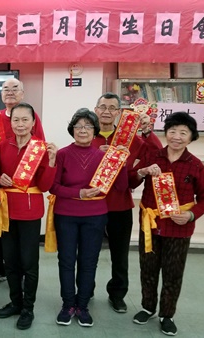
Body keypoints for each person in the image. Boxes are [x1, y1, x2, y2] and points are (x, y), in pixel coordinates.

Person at [130, 112, 204, 336]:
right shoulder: (152, 156)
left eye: (183, 133)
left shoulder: (196, 166)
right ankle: (148, 307)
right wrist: (142, 171)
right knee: (147, 269)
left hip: (179, 228)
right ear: (166, 133)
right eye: (173, 131)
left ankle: (167, 314)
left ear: (191, 137)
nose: (177, 137)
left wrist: (191, 215)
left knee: (173, 273)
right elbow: (130, 180)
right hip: (151, 224)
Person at [50, 108, 127, 327]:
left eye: (88, 126)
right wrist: (79, 193)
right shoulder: (63, 154)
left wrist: (121, 162)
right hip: (65, 214)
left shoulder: (104, 156)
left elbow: (120, 187)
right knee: (66, 261)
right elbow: (53, 187)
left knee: (88, 262)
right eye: (78, 126)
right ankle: (67, 305)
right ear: (72, 129)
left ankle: (82, 306)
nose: (82, 130)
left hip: (95, 215)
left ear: (95, 131)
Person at [91, 92, 162, 313]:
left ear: (120, 113)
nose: (106, 111)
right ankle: (86, 289)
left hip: (120, 204)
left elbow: (158, 153)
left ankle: (117, 293)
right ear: (95, 110)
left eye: (112, 108)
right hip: (91, 205)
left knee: (119, 254)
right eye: (102, 106)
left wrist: (147, 130)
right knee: (87, 252)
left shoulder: (129, 139)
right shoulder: (86, 136)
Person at [0, 102, 57, 330]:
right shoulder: (3, 145)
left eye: (25, 120)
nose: (20, 124)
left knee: (29, 263)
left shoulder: (40, 148)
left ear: (33, 122)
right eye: (16, 120)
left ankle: (28, 308)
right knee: (10, 261)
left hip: (30, 212)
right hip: (6, 210)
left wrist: (50, 162)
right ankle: (15, 302)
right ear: (10, 123)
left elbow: (46, 185)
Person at [0, 78, 45, 287]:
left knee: (19, 236)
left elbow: (39, 147)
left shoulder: (31, 117)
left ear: (23, 93)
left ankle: (21, 272)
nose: (10, 92)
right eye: (5, 89)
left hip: (23, 185)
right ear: (0, 94)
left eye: (15, 88)